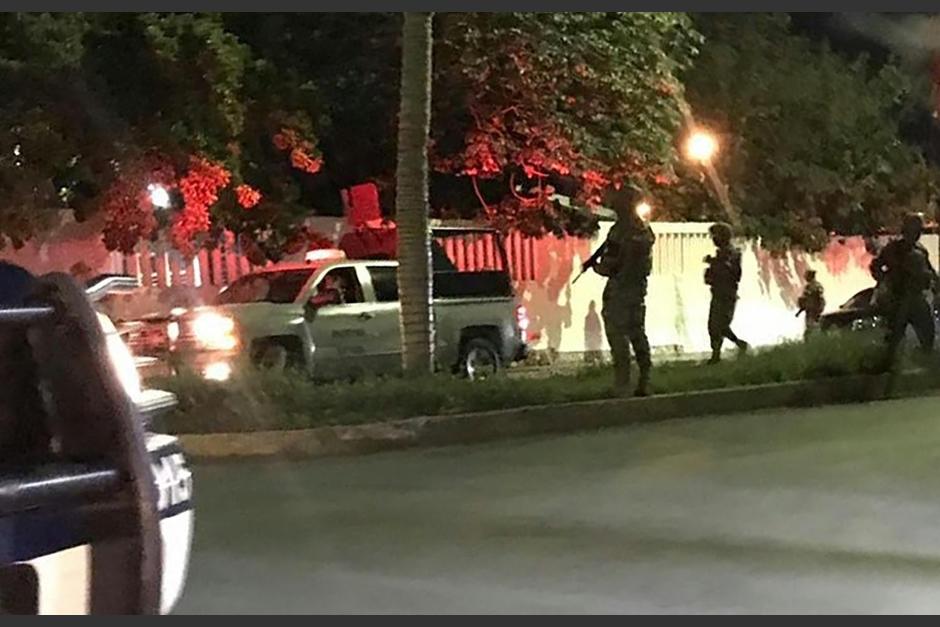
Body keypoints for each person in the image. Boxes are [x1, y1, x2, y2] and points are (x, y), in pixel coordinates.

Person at [585, 187, 655, 396]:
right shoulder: (644, 231)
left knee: (618, 337)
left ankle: (622, 383)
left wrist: (595, 267)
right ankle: (644, 381)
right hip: (638, 290)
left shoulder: (618, 232)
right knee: (638, 334)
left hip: (619, 291)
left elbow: (610, 265)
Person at [869, 212, 938, 370]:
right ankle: (886, 368)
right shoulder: (893, 249)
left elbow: (930, 271)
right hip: (899, 297)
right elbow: (876, 266)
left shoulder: (921, 250)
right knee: (894, 337)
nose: (917, 233)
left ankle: (927, 365)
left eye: (919, 229)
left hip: (917, 297)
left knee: (927, 333)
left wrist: (933, 283)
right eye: (914, 229)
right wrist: (885, 280)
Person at [704, 222, 749, 364]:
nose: (713, 239)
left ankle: (728, 349)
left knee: (719, 325)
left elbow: (734, 274)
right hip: (718, 292)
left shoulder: (732, 254)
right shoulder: (721, 254)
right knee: (715, 325)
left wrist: (714, 265)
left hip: (727, 294)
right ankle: (719, 353)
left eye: (715, 236)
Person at [797, 269, 826, 339]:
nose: (805, 278)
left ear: (810, 277)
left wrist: (800, 309)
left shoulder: (809, 287)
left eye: (806, 276)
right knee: (816, 324)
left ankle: (810, 339)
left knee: (810, 326)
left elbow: (805, 299)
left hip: (811, 310)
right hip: (818, 309)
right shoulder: (819, 285)